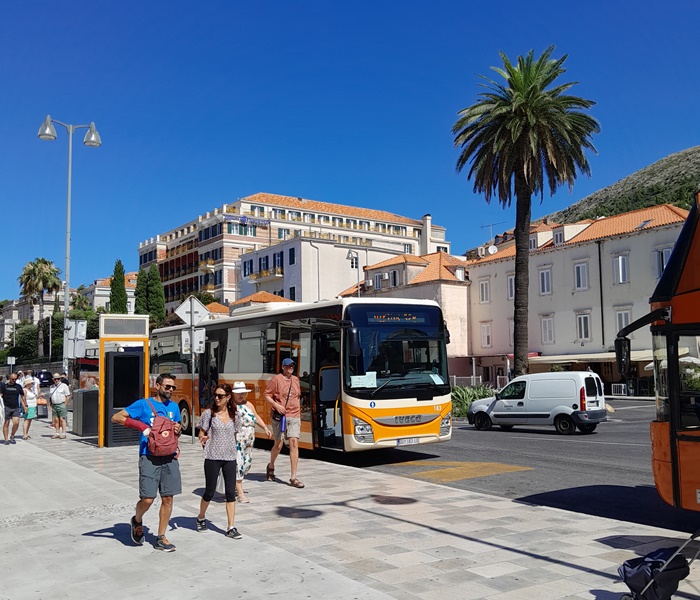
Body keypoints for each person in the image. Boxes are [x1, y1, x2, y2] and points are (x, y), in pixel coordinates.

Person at [111, 373, 182, 552]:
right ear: (157, 386)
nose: (171, 390)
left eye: (173, 387)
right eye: (167, 386)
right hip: (148, 456)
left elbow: (177, 432)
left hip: (170, 456)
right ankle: (137, 519)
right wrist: (142, 427)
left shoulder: (174, 407)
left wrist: (178, 429)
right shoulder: (143, 404)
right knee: (148, 498)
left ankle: (161, 537)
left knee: (168, 498)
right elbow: (117, 417)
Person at [195, 383, 242, 539]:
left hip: (229, 457)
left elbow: (235, 435)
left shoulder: (235, 415)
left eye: (220, 396)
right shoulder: (209, 414)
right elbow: (201, 433)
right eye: (215, 395)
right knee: (209, 491)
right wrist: (203, 438)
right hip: (212, 456)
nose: (216, 398)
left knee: (230, 493)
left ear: (228, 397)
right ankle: (201, 516)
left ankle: (231, 527)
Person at [264, 358, 304, 488]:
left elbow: (297, 396)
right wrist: (277, 405)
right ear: (283, 367)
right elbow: (266, 395)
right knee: (279, 445)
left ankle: (293, 477)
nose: (290, 368)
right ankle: (271, 465)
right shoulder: (277, 379)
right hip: (281, 416)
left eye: (292, 366)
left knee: (294, 442)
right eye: (288, 366)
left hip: (294, 415)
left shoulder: (296, 380)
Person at [232, 381, 271, 503]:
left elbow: (256, 416)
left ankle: (233, 483)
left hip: (248, 440)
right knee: (238, 464)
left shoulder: (249, 405)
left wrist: (264, 427)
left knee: (246, 464)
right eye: (238, 393)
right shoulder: (231, 406)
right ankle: (240, 493)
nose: (241, 396)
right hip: (236, 439)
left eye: (243, 393)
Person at [1, 373, 25, 445]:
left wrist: (25, 405)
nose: (14, 380)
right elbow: (1, 395)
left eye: (15, 379)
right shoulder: (4, 386)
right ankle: (6, 439)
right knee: (6, 424)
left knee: (16, 423)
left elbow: (22, 396)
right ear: (9, 379)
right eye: (12, 379)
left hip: (16, 407)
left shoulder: (18, 386)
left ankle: (12, 435)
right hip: (6, 407)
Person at [49, 373, 70, 439]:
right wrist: (50, 404)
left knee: (62, 419)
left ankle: (63, 433)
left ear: (60, 379)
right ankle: (57, 433)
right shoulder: (52, 386)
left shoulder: (64, 386)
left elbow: (68, 395)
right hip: (54, 404)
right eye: (55, 379)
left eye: (58, 379)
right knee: (56, 419)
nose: (56, 380)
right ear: (53, 379)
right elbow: (50, 396)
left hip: (61, 404)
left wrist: (65, 404)